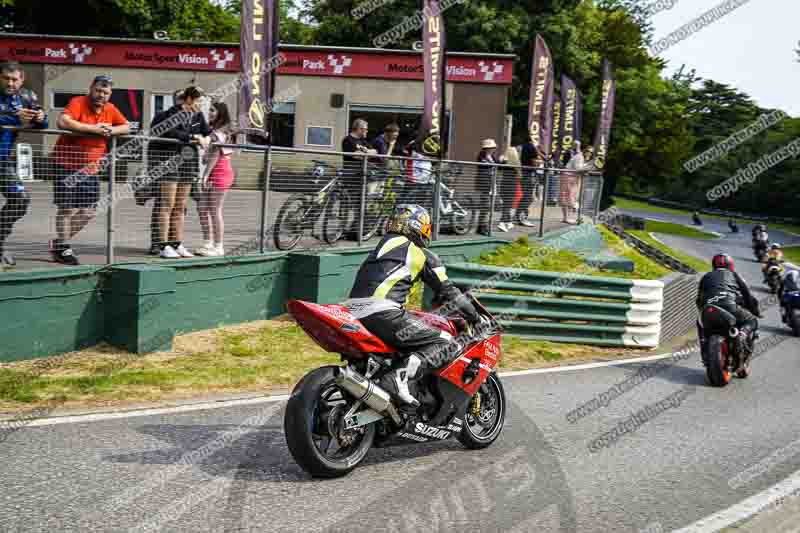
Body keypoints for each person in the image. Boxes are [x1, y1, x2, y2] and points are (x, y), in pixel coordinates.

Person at [342, 204, 480, 406]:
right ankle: (399, 378)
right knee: (447, 341)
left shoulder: (381, 246)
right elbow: (449, 291)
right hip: (383, 312)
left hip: (353, 312)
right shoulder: (419, 253)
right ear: (420, 227)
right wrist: (474, 316)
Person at [49, 74, 130, 265]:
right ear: (91, 88)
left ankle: (59, 243)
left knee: (89, 211)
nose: (101, 95)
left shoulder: (110, 108)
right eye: (98, 90)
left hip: (90, 169)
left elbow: (126, 126)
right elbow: (63, 122)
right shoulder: (78, 102)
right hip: (65, 164)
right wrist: (95, 129)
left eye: (106, 92)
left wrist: (110, 130)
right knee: (66, 209)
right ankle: (64, 248)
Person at [147, 86, 211, 259]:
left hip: (188, 161)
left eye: (202, 102)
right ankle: (162, 245)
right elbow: (171, 131)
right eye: (198, 101)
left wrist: (206, 138)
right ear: (188, 99)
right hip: (168, 159)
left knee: (180, 206)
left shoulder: (198, 116)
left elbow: (207, 132)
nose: (200, 105)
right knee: (167, 203)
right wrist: (193, 137)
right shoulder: (169, 114)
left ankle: (177, 243)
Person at [0, 61, 48, 267]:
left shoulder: (27, 96)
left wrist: (40, 116)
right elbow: (10, 117)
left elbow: (42, 125)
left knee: (20, 199)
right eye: (6, 78)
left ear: (22, 80)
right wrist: (12, 115)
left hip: (3, 161)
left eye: (14, 79)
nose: (10, 83)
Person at [695, 253, 762, 364]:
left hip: (708, 308)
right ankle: (742, 334)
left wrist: (702, 312)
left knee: (699, 323)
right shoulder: (734, 275)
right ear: (730, 265)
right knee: (752, 320)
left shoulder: (706, 276)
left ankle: (704, 351)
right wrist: (755, 311)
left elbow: (699, 299)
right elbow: (747, 294)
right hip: (729, 306)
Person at [194, 102, 234, 257]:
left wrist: (205, 175)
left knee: (214, 210)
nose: (209, 113)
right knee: (202, 208)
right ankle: (208, 243)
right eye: (209, 110)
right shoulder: (216, 132)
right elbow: (207, 157)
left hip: (220, 174)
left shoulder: (218, 133)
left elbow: (215, 155)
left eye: (212, 110)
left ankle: (218, 246)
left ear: (220, 113)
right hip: (214, 173)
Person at [341, 118, 377, 239]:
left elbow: (375, 152)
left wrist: (366, 151)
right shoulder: (348, 140)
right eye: (366, 129)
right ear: (360, 129)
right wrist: (366, 154)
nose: (367, 132)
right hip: (351, 177)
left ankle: (355, 230)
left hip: (362, 177)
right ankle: (350, 230)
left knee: (361, 204)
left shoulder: (363, 141)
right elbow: (356, 156)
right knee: (354, 205)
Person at [476, 138, 499, 235]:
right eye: (490, 147)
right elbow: (484, 166)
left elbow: (498, 164)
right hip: (485, 183)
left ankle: (484, 226)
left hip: (491, 183)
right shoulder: (482, 155)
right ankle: (482, 227)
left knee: (488, 206)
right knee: (485, 205)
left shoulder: (492, 156)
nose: (492, 149)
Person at [498, 145, 522, 232]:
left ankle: (508, 222)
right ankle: (502, 222)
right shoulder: (515, 164)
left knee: (506, 203)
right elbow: (519, 175)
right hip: (511, 184)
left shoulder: (504, 161)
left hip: (503, 183)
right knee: (508, 204)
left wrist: (502, 160)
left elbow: (499, 169)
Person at [561, 140, 584, 224]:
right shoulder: (575, 154)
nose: (577, 146)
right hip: (570, 177)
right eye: (576, 145)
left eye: (578, 145)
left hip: (571, 177)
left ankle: (567, 217)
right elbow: (577, 168)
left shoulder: (578, 155)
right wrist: (586, 170)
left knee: (570, 197)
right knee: (569, 197)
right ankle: (567, 217)